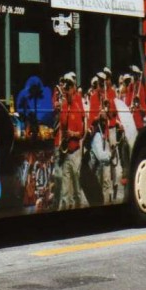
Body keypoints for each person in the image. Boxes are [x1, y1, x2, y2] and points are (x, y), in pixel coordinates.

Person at [55, 72, 87, 210]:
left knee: (76, 185)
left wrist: (72, 134)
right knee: (65, 187)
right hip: (66, 151)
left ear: (73, 88)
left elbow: (81, 132)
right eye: (66, 85)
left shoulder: (77, 106)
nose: (67, 88)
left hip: (75, 151)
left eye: (70, 86)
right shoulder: (63, 107)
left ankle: (80, 207)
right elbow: (61, 126)